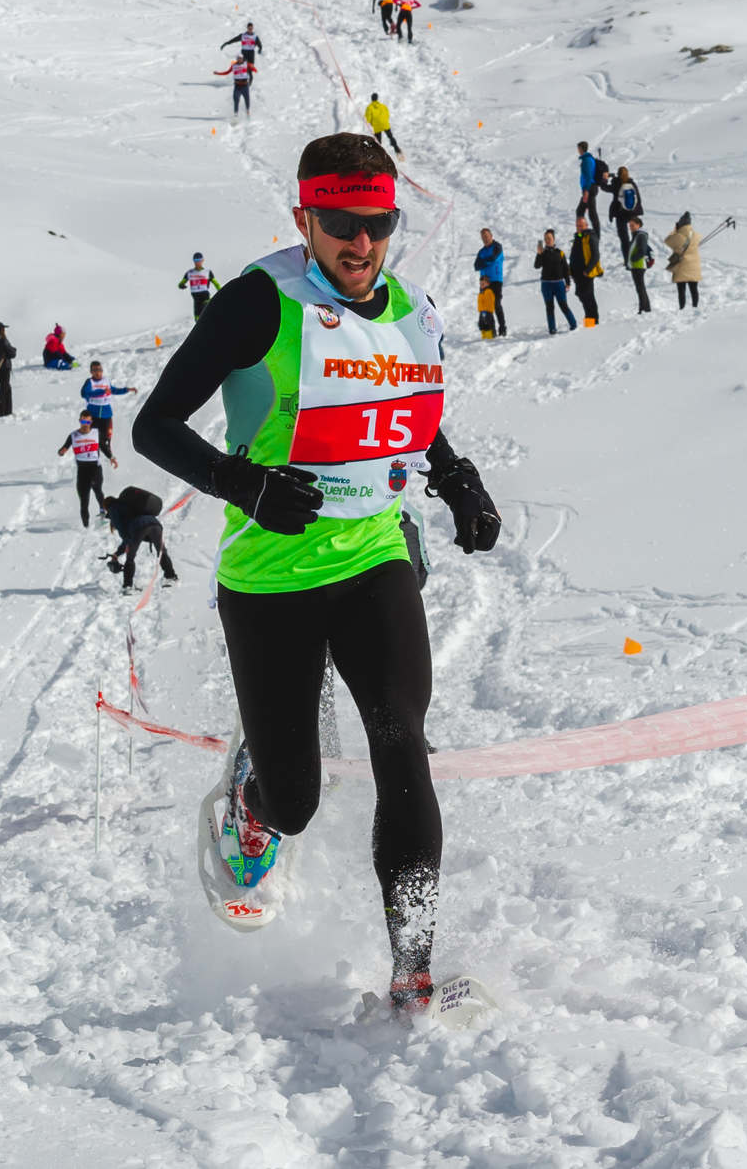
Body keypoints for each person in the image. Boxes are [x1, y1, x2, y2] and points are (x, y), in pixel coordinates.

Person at [132, 131, 503, 1016]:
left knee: (400, 743)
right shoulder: (257, 303)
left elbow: (403, 406)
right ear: (304, 218)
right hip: (268, 581)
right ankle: (253, 795)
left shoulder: (410, 309)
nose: (361, 244)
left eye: (377, 224)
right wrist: (241, 482)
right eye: (339, 224)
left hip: (373, 555)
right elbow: (154, 427)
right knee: (296, 802)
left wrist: (457, 480)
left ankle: (411, 974)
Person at [103, 489, 177, 591]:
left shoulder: (113, 508)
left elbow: (122, 529)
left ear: (107, 506)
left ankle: (127, 586)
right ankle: (171, 577)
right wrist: (118, 552)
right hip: (155, 524)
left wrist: (126, 546)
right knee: (161, 552)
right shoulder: (127, 505)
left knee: (130, 558)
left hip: (139, 526)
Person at [58, 409, 117, 527]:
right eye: (83, 422)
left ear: (91, 422)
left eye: (88, 422)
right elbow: (64, 447)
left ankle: (102, 511)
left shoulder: (95, 433)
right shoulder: (74, 435)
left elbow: (104, 447)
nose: (85, 425)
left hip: (95, 468)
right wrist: (62, 451)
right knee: (83, 500)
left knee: (98, 491)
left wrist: (112, 457)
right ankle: (85, 526)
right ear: (80, 421)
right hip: (82, 470)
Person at [79, 359, 136, 455]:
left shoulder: (106, 381)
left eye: (99, 370)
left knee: (106, 436)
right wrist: (102, 392)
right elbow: (84, 393)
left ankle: (107, 453)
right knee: (93, 436)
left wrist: (127, 389)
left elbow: (114, 390)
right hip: (93, 414)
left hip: (106, 413)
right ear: (91, 372)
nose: (98, 372)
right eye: (95, 370)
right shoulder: (89, 382)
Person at [534, 229, 577, 333]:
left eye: (549, 238)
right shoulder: (542, 253)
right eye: (545, 239)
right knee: (549, 307)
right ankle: (552, 329)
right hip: (546, 285)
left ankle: (573, 324)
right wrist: (539, 254)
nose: (547, 240)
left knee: (563, 306)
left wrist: (568, 283)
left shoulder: (560, 253)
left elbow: (566, 269)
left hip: (558, 284)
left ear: (553, 239)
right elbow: (536, 266)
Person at [567, 217, 602, 327]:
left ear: (586, 225)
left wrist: (588, 270)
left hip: (586, 273)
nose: (579, 228)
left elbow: (596, 255)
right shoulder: (578, 237)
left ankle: (592, 322)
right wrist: (570, 270)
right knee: (581, 294)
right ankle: (589, 320)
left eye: (581, 225)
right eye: (577, 225)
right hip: (577, 273)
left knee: (588, 296)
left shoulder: (590, 236)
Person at [473, 228, 507, 336]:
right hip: (484, 282)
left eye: (487, 236)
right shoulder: (481, 251)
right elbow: (476, 266)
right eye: (483, 237)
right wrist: (485, 262)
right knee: (485, 306)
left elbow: (493, 259)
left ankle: (502, 328)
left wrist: (484, 262)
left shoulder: (497, 247)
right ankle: (490, 329)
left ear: (491, 236)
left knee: (496, 304)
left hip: (496, 280)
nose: (485, 238)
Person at [665, 212, 702, 309]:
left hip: (682, 266)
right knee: (694, 289)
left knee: (681, 290)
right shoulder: (696, 235)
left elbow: (667, 240)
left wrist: (674, 231)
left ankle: (682, 308)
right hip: (694, 266)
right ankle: (695, 307)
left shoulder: (678, 236)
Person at [608, 166, 644, 260]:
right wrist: (637, 211)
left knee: (624, 239)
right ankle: (637, 257)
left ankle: (627, 260)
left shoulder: (616, 184)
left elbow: (605, 188)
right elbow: (638, 198)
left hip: (620, 214)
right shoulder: (632, 183)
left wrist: (604, 179)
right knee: (635, 236)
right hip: (632, 213)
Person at [626, 216, 655, 313]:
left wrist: (633, 259)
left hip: (639, 265)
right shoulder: (636, 235)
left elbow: (641, 250)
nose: (631, 227)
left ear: (639, 225)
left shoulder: (641, 235)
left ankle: (644, 309)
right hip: (635, 265)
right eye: (630, 225)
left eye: (633, 225)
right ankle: (644, 308)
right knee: (640, 288)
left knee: (640, 288)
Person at [179, 253, 220, 319]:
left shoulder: (207, 272)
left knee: (206, 313)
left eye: (199, 260)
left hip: (205, 296)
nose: (197, 263)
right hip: (196, 298)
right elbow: (181, 283)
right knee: (197, 317)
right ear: (193, 261)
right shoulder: (190, 273)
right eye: (196, 261)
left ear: (202, 260)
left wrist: (221, 292)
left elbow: (216, 284)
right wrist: (182, 285)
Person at [574, 142, 602, 237]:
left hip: (589, 188)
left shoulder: (586, 160)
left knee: (589, 213)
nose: (578, 150)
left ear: (581, 149)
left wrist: (586, 191)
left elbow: (588, 176)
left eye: (578, 148)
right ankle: (584, 233)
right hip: (590, 188)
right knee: (583, 211)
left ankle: (594, 236)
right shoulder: (588, 159)